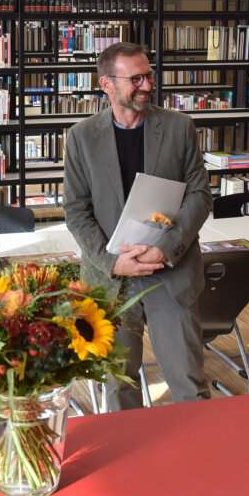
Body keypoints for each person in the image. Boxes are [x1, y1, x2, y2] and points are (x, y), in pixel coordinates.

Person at [63, 41, 213, 410]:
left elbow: (200, 196)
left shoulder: (179, 127)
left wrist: (167, 246)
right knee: (119, 389)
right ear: (107, 85)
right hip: (112, 281)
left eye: (149, 75)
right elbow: (75, 210)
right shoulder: (80, 137)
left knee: (189, 384)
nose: (147, 85)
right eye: (136, 79)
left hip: (171, 272)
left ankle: (204, 461)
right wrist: (111, 262)